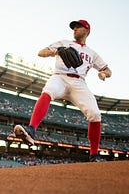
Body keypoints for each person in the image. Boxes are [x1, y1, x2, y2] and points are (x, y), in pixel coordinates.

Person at [13, 19, 112, 162]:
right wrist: (56, 51)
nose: (75, 29)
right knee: (48, 91)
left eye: (79, 27)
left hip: (79, 82)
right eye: (74, 27)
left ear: (87, 31)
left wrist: (103, 74)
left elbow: (108, 70)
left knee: (95, 113)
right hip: (60, 77)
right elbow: (41, 52)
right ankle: (31, 129)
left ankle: (94, 155)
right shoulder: (64, 43)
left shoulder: (92, 53)